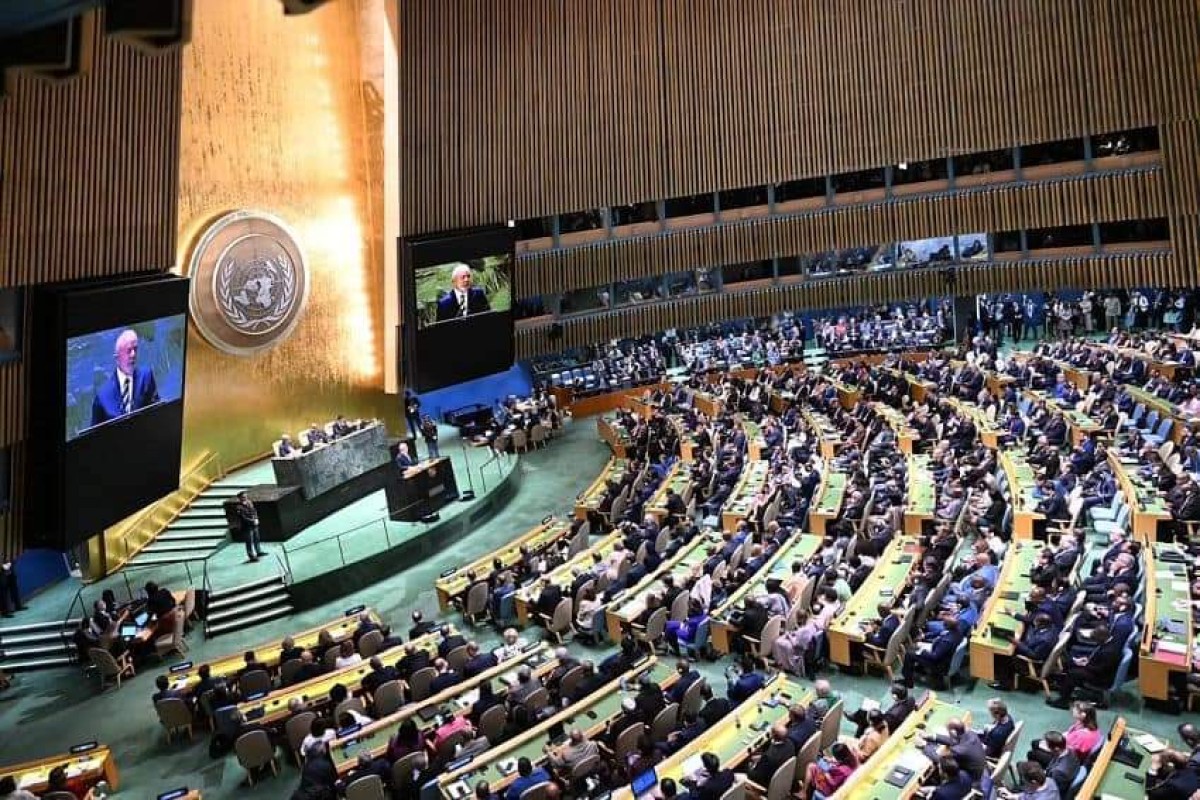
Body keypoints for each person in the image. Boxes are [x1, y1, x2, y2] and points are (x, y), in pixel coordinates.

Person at [90, 328, 160, 426]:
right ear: (117, 357)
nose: (133, 354)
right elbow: (94, 433)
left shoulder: (146, 377)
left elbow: (157, 412)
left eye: (135, 349)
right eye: (128, 350)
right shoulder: (102, 396)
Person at [235, 491, 265, 563]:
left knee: (256, 538)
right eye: (243, 497)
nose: (245, 498)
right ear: (239, 498)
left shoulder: (249, 503)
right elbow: (243, 517)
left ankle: (258, 551)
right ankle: (251, 556)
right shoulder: (239, 507)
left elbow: (254, 511)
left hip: (254, 524)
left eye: (245, 496)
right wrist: (252, 521)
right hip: (247, 527)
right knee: (249, 541)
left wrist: (256, 518)